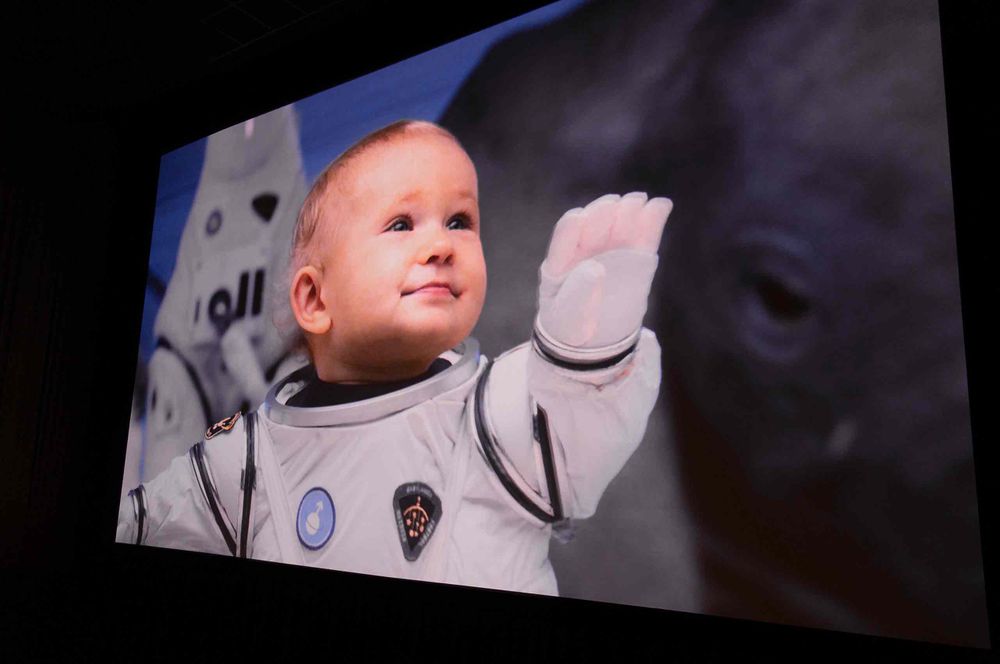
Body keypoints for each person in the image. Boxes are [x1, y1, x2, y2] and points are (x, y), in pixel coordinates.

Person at [117, 119, 671, 595]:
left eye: (460, 221)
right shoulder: (249, 461)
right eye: (402, 224)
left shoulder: (491, 415)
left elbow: (571, 424)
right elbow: (139, 524)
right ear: (314, 298)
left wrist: (585, 357)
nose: (441, 244)